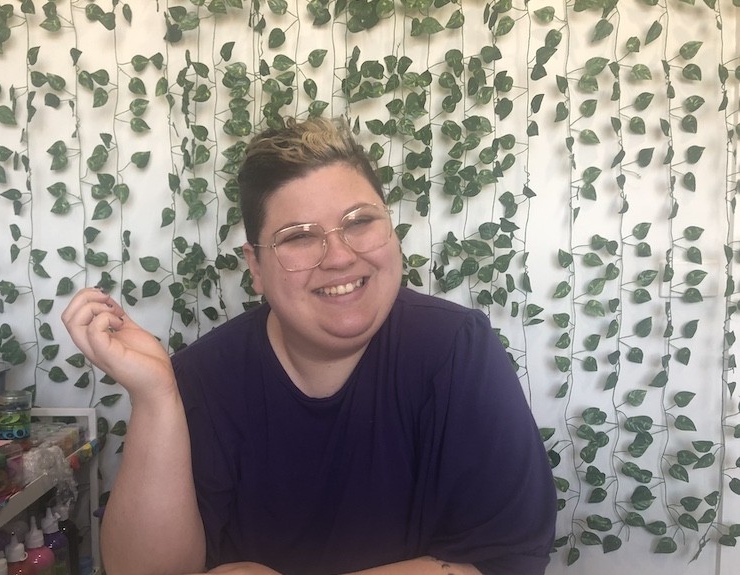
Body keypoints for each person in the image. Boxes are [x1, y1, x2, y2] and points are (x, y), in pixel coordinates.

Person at [62, 117, 557, 575]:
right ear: (255, 267)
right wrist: (155, 398)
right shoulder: (201, 378)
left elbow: (506, 559)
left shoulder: (455, 350)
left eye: (360, 221)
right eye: (299, 236)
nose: (340, 256)